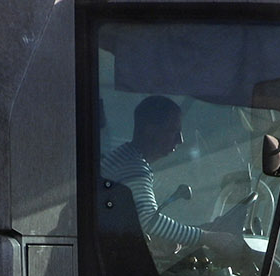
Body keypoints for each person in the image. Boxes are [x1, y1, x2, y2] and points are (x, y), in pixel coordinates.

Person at [101, 96, 248, 261]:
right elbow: (148, 220)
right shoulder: (133, 168)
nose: (180, 140)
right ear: (150, 130)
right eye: (173, 131)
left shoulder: (124, 157)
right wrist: (208, 238)